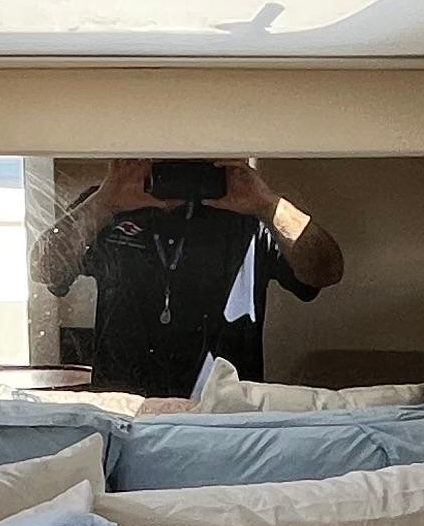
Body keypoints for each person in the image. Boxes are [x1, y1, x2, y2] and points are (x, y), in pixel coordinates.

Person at [30, 157, 345, 398]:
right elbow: (45, 269)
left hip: (223, 410)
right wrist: (103, 202)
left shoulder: (247, 214)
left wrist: (268, 205)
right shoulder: (109, 205)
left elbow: (326, 272)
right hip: (124, 409)